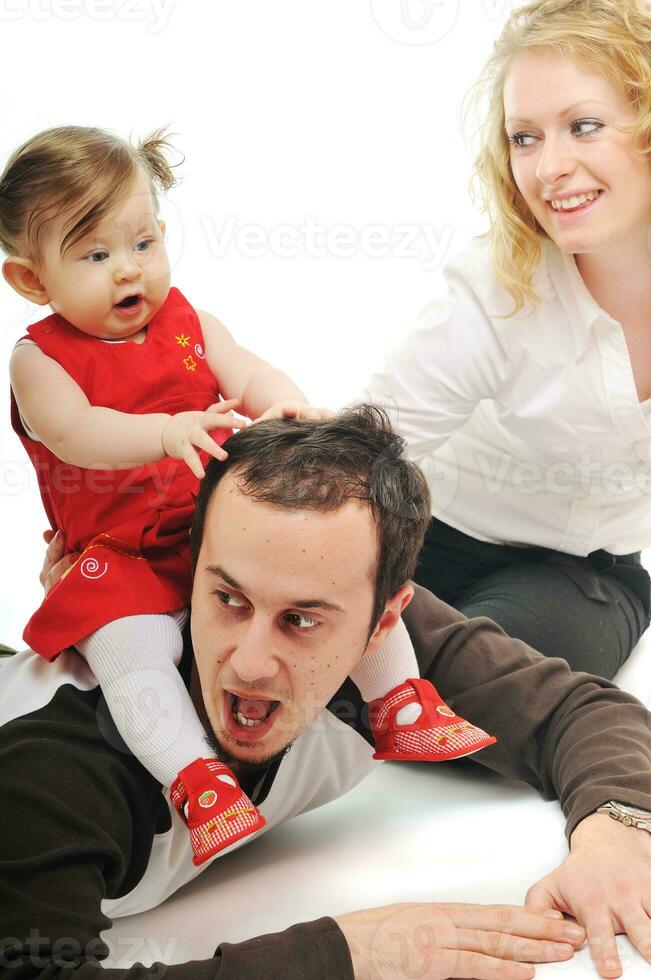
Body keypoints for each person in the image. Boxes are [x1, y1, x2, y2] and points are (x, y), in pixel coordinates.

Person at [2, 407, 651, 979]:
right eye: (226, 598)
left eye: (301, 620)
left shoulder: (387, 658)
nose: (251, 664)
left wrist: (616, 827)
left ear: (382, 623)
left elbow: (573, 709)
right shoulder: (59, 765)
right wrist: (345, 954)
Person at [0, 126, 491, 867]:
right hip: (121, 558)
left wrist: (289, 407)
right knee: (132, 652)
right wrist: (166, 433)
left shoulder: (187, 321)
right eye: (95, 256)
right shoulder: (39, 360)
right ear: (32, 281)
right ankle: (198, 782)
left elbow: (251, 372)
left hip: (218, 538)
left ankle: (400, 702)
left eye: (141, 244)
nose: (128, 271)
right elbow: (75, 434)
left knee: (334, 577)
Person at [362, 0, 651, 679]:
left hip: (578, 577)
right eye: (525, 137)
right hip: (422, 539)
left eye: (582, 126)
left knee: (480, 686)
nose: (548, 167)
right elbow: (368, 450)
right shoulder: (500, 283)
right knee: (280, 638)